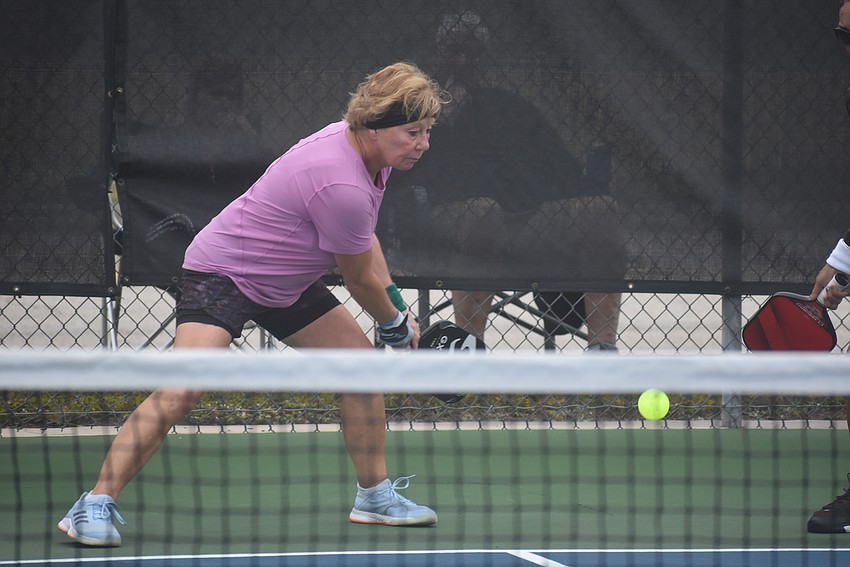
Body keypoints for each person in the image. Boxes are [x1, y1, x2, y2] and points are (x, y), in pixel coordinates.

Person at [57, 61, 447, 547]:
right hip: (224, 273)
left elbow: (363, 240)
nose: (423, 144)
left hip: (286, 282)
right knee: (184, 389)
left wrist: (394, 305)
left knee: (360, 370)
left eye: (427, 131)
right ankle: (92, 503)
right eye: (413, 132)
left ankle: (373, 497)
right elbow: (357, 275)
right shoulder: (340, 180)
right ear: (374, 126)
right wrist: (391, 322)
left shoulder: (370, 156)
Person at [392, 10, 623, 349]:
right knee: (483, 212)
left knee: (600, 210)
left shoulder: (510, 107)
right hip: (443, 222)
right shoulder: (412, 113)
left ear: (484, 60)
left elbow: (563, 170)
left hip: (526, 219)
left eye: (471, 52)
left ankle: (603, 349)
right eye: (453, 50)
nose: (462, 60)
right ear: (436, 54)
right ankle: (470, 348)